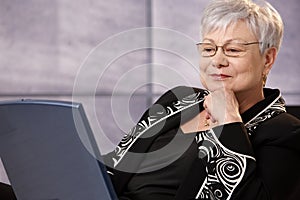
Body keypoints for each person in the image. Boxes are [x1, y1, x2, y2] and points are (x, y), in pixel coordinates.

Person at [104, 0, 300, 199]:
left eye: (233, 50)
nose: (217, 61)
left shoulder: (287, 133)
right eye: (208, 49)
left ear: (268, 59)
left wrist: (228, 118)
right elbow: (115, 166)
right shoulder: (178, 98)